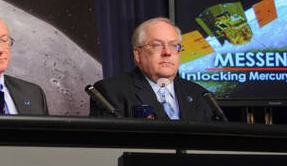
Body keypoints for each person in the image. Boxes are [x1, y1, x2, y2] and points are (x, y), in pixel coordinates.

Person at [88, 16, 217, 120]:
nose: (167, 52)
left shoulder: (201, 95)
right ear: (138, 55)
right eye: (156, 45)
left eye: (173, 45)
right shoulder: (111, 92)